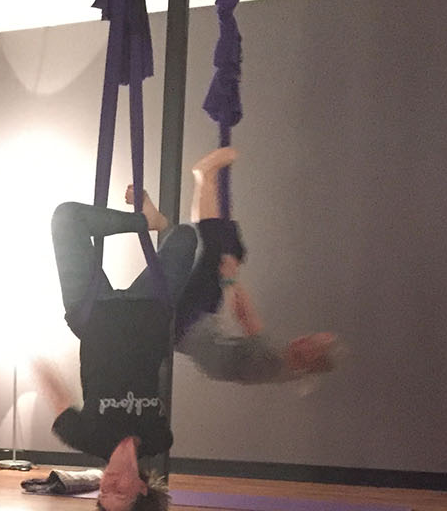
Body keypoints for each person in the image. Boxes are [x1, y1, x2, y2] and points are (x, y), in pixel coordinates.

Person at [32, 194, 196, 511]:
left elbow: (55, 393)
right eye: (119, 492)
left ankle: (144, 222)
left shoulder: (86, 437)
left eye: (103, 494)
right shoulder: (158, 437)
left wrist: (28, 351)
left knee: (66, 218)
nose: (108, 484)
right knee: (186, 237)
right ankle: (155, 222)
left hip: (92, 313)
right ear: (141, 490)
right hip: (149, 313)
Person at [128, 147, 338, 385]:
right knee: (230, 251)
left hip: (186, 325)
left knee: (215, 253)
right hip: (199, 322)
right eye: (310, 337)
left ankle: (203, 176)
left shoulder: (277, 362)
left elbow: (245, 315)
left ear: (310, 359)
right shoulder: (285, 367)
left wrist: (231, 279)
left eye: (310, 343)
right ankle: (165, 217)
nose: (303, 338)